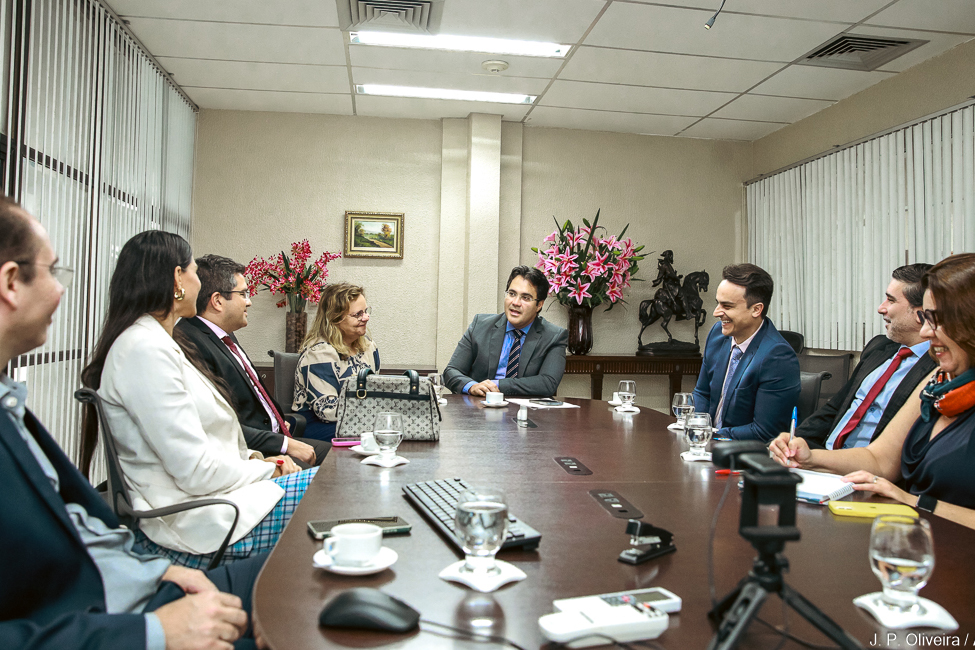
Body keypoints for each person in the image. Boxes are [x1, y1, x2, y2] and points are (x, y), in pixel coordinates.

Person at [0, 198, 267, 649]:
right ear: (11, 282)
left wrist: (157, 570)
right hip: (109, 617)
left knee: (310, 574)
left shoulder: (11, 405)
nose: (61, 291)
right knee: (311, 565)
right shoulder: (144, 346)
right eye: (54, 272)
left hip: (127, 584)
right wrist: (157, 631)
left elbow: (73, 522)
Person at [80, 231, 316, 569]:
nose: (198, 283)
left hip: (215, 500)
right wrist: (267, 467)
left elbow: (208, 444)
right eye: (193, 271)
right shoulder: (144, 350)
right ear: (178, 278)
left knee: (339, 489)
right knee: (333, 492)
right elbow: (196, 472)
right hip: (196, 521)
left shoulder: (159, 342)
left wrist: (258, 461)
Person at [771, 254, 975, 530]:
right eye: (925, 318)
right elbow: (880, 459)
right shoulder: (938, 380)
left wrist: (913, 501)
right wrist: (810, 456)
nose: (925, 332)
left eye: (935, 320)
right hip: (917, 537)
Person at [175, 254, 329, 468]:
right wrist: (284, 444)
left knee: (342, 459)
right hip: (250, 453)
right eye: (243, 293)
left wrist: (276, 420)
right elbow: (218, 423)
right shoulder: (190, 342)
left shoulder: (223, 335)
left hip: (272, 438)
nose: (249, 301)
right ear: (218, 301)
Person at [797, 264, 936, 450]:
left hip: (868, 470)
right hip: (824, 458)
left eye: (891, 301)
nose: (881, 308)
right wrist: (793, 442)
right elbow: (835, 408)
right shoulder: (879, 349)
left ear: (921, 313)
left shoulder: (939, 367)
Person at [693, 263, 800, 442]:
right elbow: (702, 393)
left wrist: (712, 436)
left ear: (756, 309)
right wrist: (694, 424)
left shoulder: (777, 356)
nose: (716, 313)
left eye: (727, 306)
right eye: (717, 303)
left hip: (742, 455)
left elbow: (764, 432)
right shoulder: (717, 335)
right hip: (706, 445)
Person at [443, 265, 569, 398]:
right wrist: (472, 386)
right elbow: (451, 371)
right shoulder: (480, 325)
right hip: (478, 409)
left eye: (525, 298)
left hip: (526, 413)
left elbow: (547, 383)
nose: (515, 302)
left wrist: (497, 385)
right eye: (512, 294)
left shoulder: (554, 336)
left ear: (539, 305)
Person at [292, 282, 380, 441]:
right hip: (319, 426)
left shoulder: (368, 347)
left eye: (366, 311)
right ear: (334, 318)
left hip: (359, 421)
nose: (366, 317)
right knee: (378, 435)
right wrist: (375, 414)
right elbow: (328, 411)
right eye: (357, 314)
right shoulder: (319, 353)